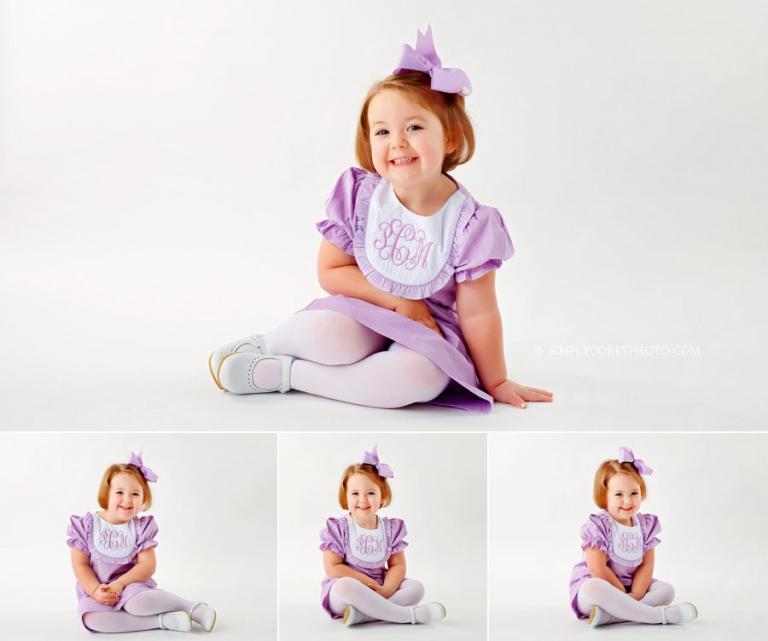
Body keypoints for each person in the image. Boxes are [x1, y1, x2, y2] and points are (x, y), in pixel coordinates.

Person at [209, 26, 552, 413]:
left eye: (414, 127)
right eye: (383, 131)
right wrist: (397, 300)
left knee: (417, 377)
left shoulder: (471, 225)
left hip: (429, 328)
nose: (397, 142)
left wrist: (497, 380)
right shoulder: (361, 196)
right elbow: (331, 271)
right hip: (368, 304)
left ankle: (286, 374)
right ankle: (271, 344)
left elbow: (479, 312)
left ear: (451, 138)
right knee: (326, 336)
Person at [66, 453, 216, 633]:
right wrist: (95, 590)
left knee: (136, 603)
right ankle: (163, 620)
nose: (128, 500)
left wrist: (121, 584)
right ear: (106, 494)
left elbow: (147, 565)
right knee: (91, 619)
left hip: (131, 586)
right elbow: (80, 564)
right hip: (99, 591)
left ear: (144, 499)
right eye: (119, 492)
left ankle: (192, 608)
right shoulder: (87, 526)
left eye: (135, 494)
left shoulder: (140, 528)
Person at [569, 448, 698, 627]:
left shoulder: (645, 526)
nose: (628, 501)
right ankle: (658, 616)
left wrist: (636, 594)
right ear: (604, 496)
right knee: (593, 587)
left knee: (667, 590)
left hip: (632, 588)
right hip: (598, 589)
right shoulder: (599, 526)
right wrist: (622, 594)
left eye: (634, 493)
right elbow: (598, 568)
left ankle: (611, 616)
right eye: (619, 494)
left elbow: (647, 565)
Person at [319, 447, 444, 625]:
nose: (362, 500)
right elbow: (333, 567)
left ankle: (363, 615)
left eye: (370, 493)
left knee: (416, 588)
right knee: (345, 586)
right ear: (345, 497)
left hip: (381, 587)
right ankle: (409, 616)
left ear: (382, 497)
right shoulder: (339, 528)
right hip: (345, 592)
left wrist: (386, 590)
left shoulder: (391, 529)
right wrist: (366, 583)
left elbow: (397, 565)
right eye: (355, 494)